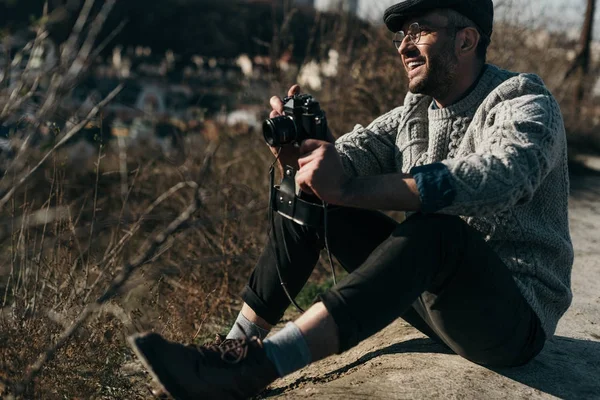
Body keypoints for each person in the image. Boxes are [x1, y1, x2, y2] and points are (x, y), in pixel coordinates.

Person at [128, 0, 574, 398]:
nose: (403, 47)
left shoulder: (521, 98)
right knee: (306, 190)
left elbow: (506, 177)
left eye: (417, 30)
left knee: (437, 231)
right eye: (400, 36)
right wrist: (307, 153)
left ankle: (260, 366)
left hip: (513, 322)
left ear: (466, 39)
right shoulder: (412, 114)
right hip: (436, 303)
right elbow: (347, 159)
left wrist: (352, 188)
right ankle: (229, 351)